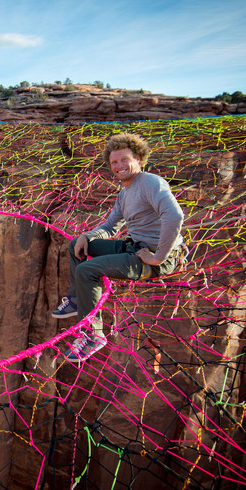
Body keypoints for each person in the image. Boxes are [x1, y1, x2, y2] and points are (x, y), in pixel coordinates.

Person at [53, 133, 185, 361]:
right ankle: (76, 300)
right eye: (114, 162)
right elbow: (111, 226)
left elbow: (174, 216)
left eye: (124, 159)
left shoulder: (150, 182)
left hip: (152, 259)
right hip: (134, 248)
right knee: (77, 244)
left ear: (139, 159)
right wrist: (87, 235)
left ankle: (93, 335)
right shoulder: (125, 193)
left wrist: (159, 257)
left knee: (86, 270)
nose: (119, 166)